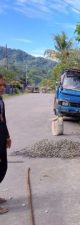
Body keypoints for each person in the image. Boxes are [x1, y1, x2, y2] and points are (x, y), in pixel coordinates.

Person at [0, 74, 11, 214]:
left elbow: (3, 120)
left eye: (2, 85)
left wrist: (7, 136)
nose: (2, 88)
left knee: (3, 167)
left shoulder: (1, 100)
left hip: (1, 137)